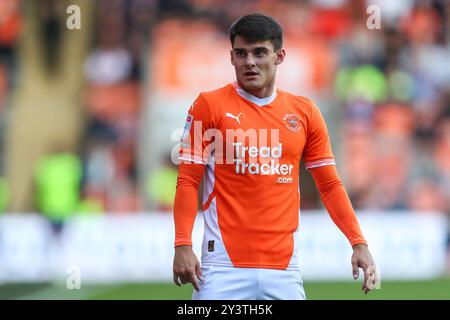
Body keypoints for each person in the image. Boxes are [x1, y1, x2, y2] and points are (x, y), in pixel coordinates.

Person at [173, 13, 378, 300]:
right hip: (222, 268)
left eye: (260, 53)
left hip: (284, 270)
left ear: (279, 56)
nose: (250, 62)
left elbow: (329, 185)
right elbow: (188, 180)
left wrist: (358, 242)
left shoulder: (305, 112)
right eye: (241, 53)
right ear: (231, 57)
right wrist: (182, 244)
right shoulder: (208, 106)